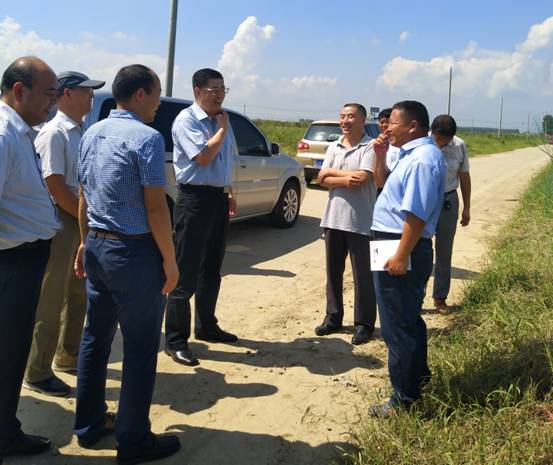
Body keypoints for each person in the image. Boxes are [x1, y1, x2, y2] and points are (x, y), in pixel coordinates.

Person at [74, 64, 180, 464]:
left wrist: (85, 243)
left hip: (99, 248)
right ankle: (133, 441)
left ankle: (88, 426)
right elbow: (156, 207)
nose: (157, 103)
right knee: (139, 348)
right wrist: (170, 262)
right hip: (132, 254)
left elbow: (84, 194)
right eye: (155, 94)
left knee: (95, 339)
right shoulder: (147, 138)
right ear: (139, 95)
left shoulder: (92, 132)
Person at [24, 71, 105, 397]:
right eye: (86, 92)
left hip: (79, 216)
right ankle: (37, 370)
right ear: (67, 94)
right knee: (51, 296)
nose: (91, 97)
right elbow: (54, 184)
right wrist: (83, 217)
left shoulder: (81, 130)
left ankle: (68, 357)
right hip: (62, 218)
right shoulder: (54, 133)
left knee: (78, 294)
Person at [0, 56, 60, 458]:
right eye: (48, 95)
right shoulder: (4, 133)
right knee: (6, 354)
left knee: (12, 350)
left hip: (24, 258)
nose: (52, 105)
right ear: (19, 91)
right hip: (12, 263)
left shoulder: (21, 131)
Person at [370, 100, 446, 417]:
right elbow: (384, 187)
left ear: (412, 126)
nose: (387, 128)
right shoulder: (409, 155)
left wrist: (401, 255)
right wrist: (378, 156)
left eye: (393, 124)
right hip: (391, 243)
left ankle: (404, 400)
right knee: (406, 320)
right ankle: (417, 381)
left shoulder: (422, 160)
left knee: (396, 327)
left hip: (400, 246)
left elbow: (415, 215)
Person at [164, 68, 237, 367]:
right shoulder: (187, 120)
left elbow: (224, 160)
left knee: (212, 267)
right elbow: (203, 157)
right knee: (185, 271)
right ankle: (176, 340)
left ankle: (207, 326)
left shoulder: (221, 118)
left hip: (217, 199)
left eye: (222, 88)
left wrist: (229, 190)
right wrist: (221, 130)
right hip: (193, 200)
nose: (219, 94)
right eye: (213, 89)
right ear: (197, 91)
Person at [314, 103, 377, 345]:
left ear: (362, 120)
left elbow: (361, 179)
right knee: (333, 272)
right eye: (342, 116)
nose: (345, 120)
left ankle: (364, 324)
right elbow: (321, 178)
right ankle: (333, 317)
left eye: (351, 116)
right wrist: (342, 177)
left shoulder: (370, 146)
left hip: (360, 221)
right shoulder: (334, 146)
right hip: (333, 219)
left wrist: (333, 175)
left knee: (363, 275)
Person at [430, 115, 471, 310]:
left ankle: (440, 297)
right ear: (432, 132)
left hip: (448, 200)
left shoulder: (459, 146)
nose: (441, 143)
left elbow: (464, 176)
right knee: (419, 250)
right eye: (438, 138)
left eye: (445, 140)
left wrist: (467, 207)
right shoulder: (423, 144)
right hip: (425, 201)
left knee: (444, 252)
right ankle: (415, 297)